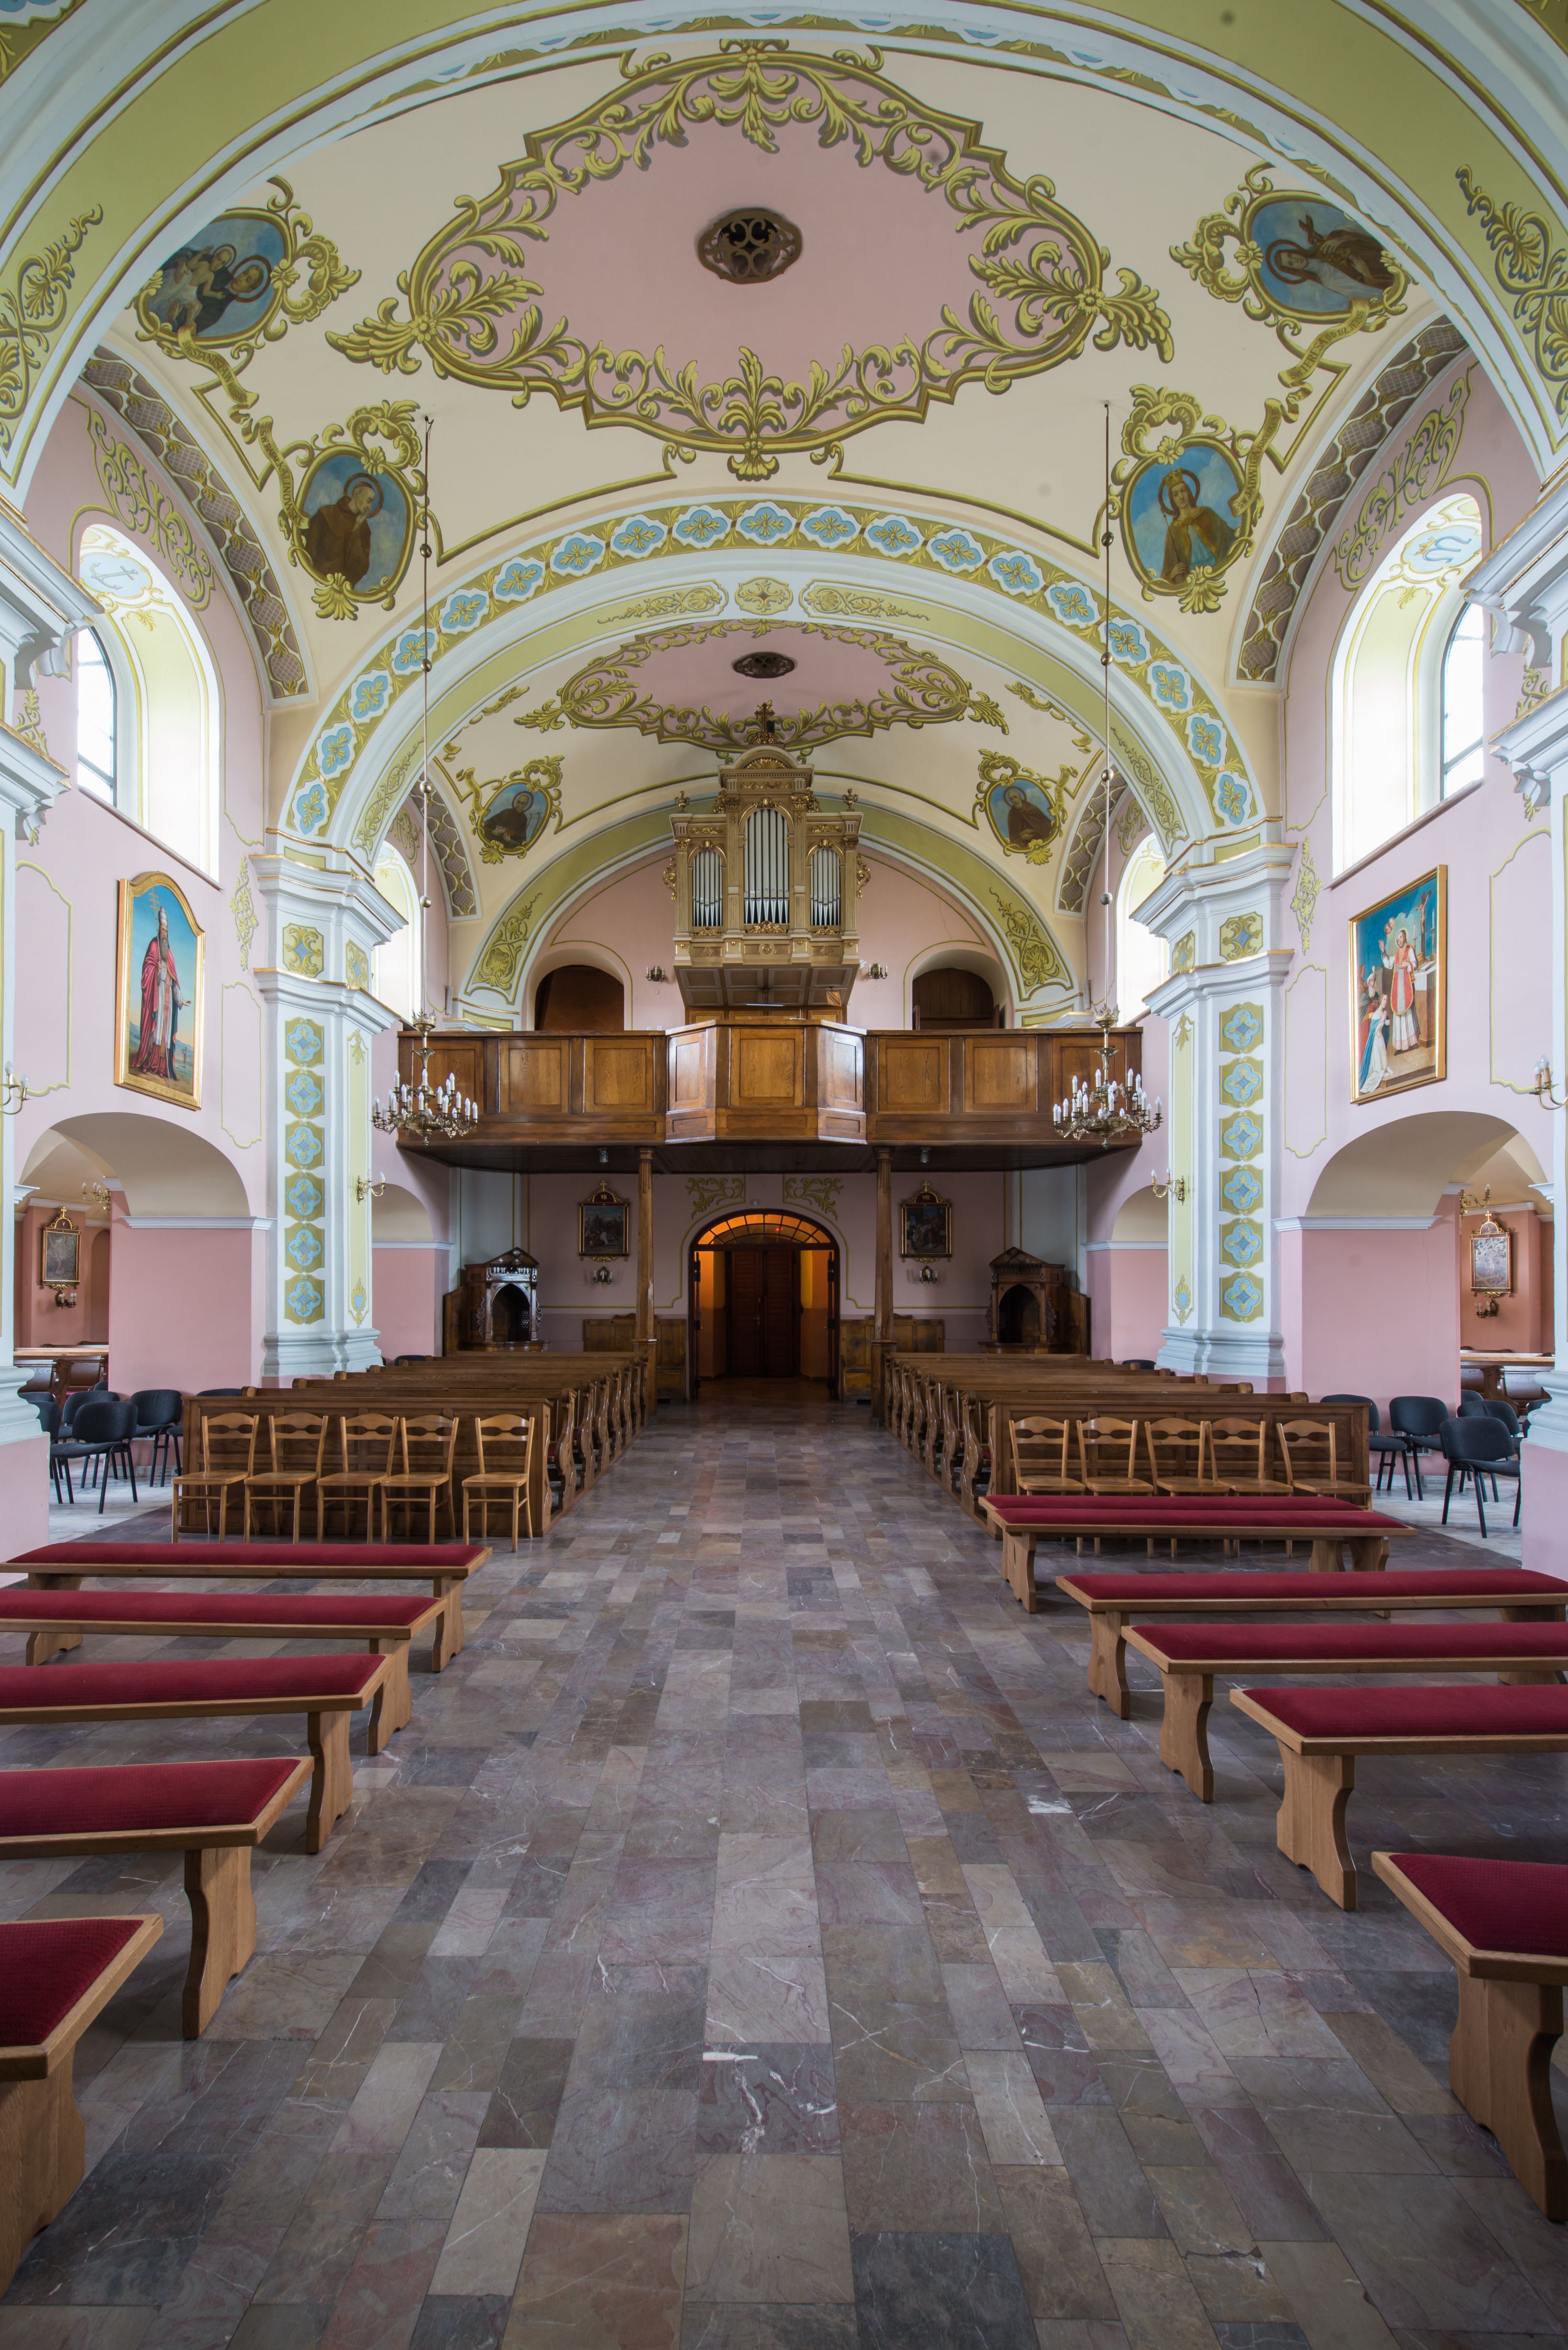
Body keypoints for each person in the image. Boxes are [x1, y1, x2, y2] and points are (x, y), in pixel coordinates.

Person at [133, 903, 185, 1083]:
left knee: (166, 1032)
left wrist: (181, 1000)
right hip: (158, 995)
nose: (164, 933)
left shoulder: (169, 954)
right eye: (162, 930)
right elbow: (147, 968)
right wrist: (156, 970)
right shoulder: (154, 946)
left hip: (168, 999)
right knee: (157, 1028)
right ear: (159, 930)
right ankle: (152, 1061)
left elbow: (175, 980)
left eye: (166, 931)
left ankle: (164, 1067)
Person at [304, 474, 381, 590]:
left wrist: (357, 528)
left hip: (344, 588)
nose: (369, 507)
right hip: (315, 581)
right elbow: (309, 550)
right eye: (368, 501)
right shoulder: (327, 514)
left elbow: (361, 568)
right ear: (356, 493)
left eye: (371, 503)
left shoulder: (363, 528)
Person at [1159, 469, 1235, 585]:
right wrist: (1172, 575)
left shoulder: (1206, 513)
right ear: (1172, 500)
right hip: (1192, 578)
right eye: (1176, 495)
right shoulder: (1174, 530)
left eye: (1183, 491)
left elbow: (1228, 537)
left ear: (1188, 492)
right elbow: (1168, 568)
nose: (1181, 497)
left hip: (1217, 568)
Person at [1383, 923, 1423, 1054]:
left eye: (1401, 937)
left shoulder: (1409, 950)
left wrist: (1407, 964)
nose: (1399, 940)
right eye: (1398, 939)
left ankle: (1413, 1042)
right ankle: (1400, 1046)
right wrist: (1383, 952)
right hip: (1397, 989)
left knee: (1408, 1013)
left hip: (1406, 988)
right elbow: (1389, 964)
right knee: (1399, 1016)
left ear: (1405, 937)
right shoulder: (1396, 955)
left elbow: (1415, 964)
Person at [1002, 782, 1055, 854]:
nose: (1014, 800)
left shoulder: (1031, 808)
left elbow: (1046, 825)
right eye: (1012, 799)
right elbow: (1014, 840)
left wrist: (1034, 832)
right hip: (1026, 845)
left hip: (1042, 841)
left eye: (1015, 797)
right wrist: (1021, 838)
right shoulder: (1012, 815)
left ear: (1020, 797)